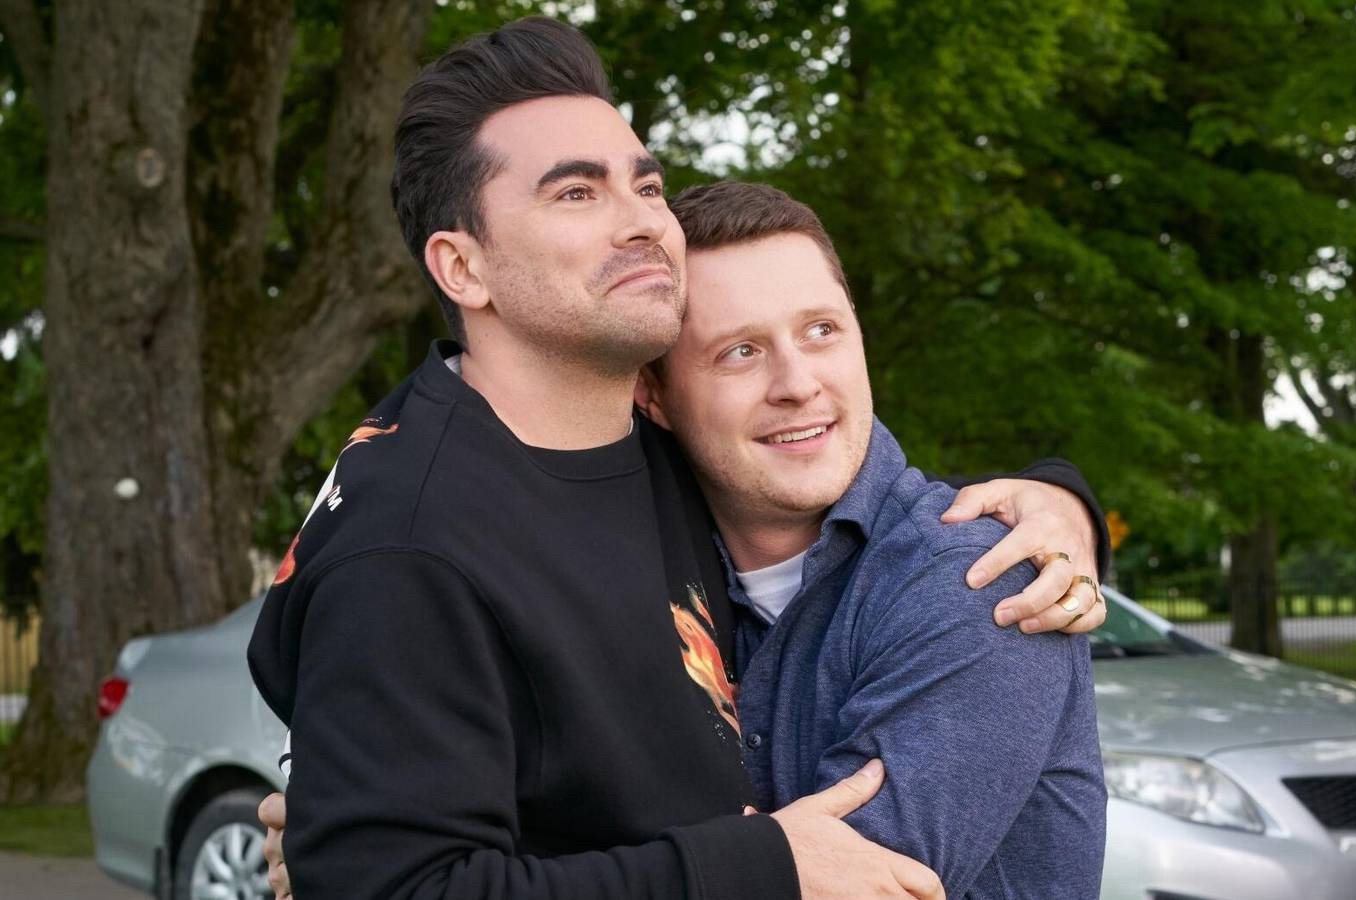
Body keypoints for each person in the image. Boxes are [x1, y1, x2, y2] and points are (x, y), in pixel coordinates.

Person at [248, 15, 1109, 900]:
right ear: (462, 269)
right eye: (576, 193)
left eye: (647, 185)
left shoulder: (661, 466)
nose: (641, 222)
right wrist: (752, 867)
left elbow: (833, 493)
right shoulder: (411, 543)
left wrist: (1057, 501)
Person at [634, 180, 1106, 898]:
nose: (798, 384)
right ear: (653, 395)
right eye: (740, 351)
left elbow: (868, 885)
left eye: (821, 330)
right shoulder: (648, 576)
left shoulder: (979, 580)